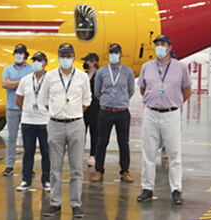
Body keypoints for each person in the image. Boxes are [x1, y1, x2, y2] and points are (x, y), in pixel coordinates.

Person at [137, 33, 193, 206]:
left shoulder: (181, 67)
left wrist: (173, 103)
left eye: (163, 44)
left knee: (174, 153)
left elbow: (187, 90)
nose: (159, 47)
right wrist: (154, 101)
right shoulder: (147, 67)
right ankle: (147, 188)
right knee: (149, 152)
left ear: (169, 47)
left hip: (171, 113)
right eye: (157, 44)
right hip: (152, 113)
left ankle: (176, 189)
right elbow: (142, 89)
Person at [39, 42, 91, 220]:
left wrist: (73, 114)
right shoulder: (50, 76)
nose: (66, 59)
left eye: (69, 56)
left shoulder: (82, 77)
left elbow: (87, 101)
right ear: (58, 57)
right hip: (55, 124)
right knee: (55, 167)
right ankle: (55, 202)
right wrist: (58, 113)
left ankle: (76, 204)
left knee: (77, 167)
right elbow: (44, 99)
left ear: (74, 57)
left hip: (76, 124)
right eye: (63, 55)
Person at [92, 42, 137, 184]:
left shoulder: (128, 72)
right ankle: (99, 170)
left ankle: (125, 171)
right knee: (101, 142)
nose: (114, 55)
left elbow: (130, 91)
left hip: (122, 112)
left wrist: (120, 101)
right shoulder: (101, 72)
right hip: (105, 111)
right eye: (111, 53)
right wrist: (107, 101)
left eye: (116, 53)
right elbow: (97, 92)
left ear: (121, 54)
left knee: (123, 143)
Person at [15, 52, 52, 192]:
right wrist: (27, 110)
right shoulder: (25, 79)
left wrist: (47, 110)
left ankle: (47, 180)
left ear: (45, 62)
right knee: (28, 151)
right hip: (28, 122)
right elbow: (18, 100)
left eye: (39, 60)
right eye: (34, 60)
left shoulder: (50, 79)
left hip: (45, 121)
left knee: (46, 152)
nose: (37, 63)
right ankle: (26, 180)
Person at [0, 44, 34, 177]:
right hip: (11, 108)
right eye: (16, 52)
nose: (18, 55)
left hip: (27, 108)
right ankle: (9, 165)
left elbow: (32, 84)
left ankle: (28, 167)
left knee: (28, 139)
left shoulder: (31, 69)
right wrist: (22, 82)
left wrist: (13, 83)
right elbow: (4, 84)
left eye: (21, 53)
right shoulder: (8, 69)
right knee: (11, 138)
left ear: (26, 55)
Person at [81, 52, 102, 167]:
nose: (85, 63)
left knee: (95, 132)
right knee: (80, 132)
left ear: (93, 62)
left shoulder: (99, 76)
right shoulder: (82, 75)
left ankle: (93, 155)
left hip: (95, 106)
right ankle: (79, 153)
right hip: (83, 106)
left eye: (87, 61)